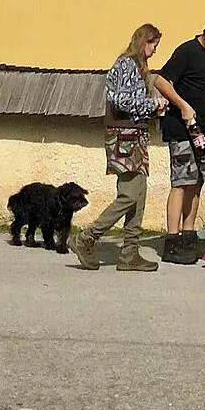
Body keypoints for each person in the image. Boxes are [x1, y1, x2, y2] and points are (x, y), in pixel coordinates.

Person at [71, 23, 168, 273]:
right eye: (153, 44)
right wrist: (151, 104)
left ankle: (129, 253)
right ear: (143, 41)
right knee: (129, 195)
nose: (155, 50)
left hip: (134, 134)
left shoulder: (137, 66)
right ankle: (87, 238)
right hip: (123, 136)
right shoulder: (126, 63)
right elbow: (119, 99)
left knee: (139, 194)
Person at [152, 16, 205, 263]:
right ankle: (172, 239)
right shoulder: (187, 51)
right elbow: (161, 81)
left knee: (197, 182)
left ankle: (189, 235)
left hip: (203, 132)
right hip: (182, 129)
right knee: (181, 182)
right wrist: (183, 106)